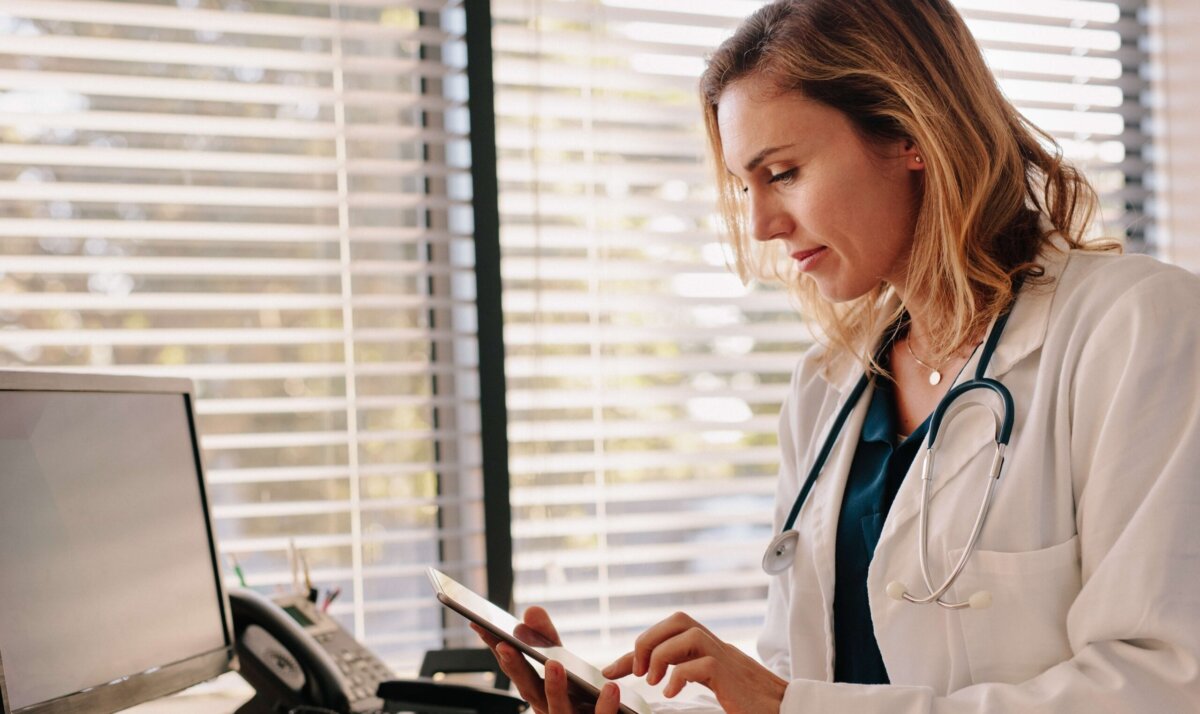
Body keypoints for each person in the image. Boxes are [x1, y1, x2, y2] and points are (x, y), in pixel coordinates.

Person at [474, 1, 1200, 712]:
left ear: (910, 134)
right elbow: (803, 676)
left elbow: (1160, 685)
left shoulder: (1135, 329)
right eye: (745, 186)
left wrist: (788, 704)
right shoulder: (828, 388)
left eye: (783, 172)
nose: (760, 223)